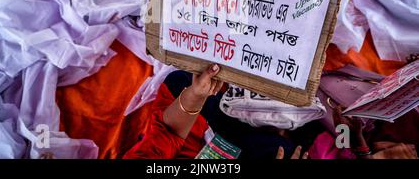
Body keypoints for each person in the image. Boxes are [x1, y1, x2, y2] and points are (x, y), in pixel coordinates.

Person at [123, 64, 309, 159]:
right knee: (284, 150)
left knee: (181, 82)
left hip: (192, 130)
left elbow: (169, 133)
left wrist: (196, 95)